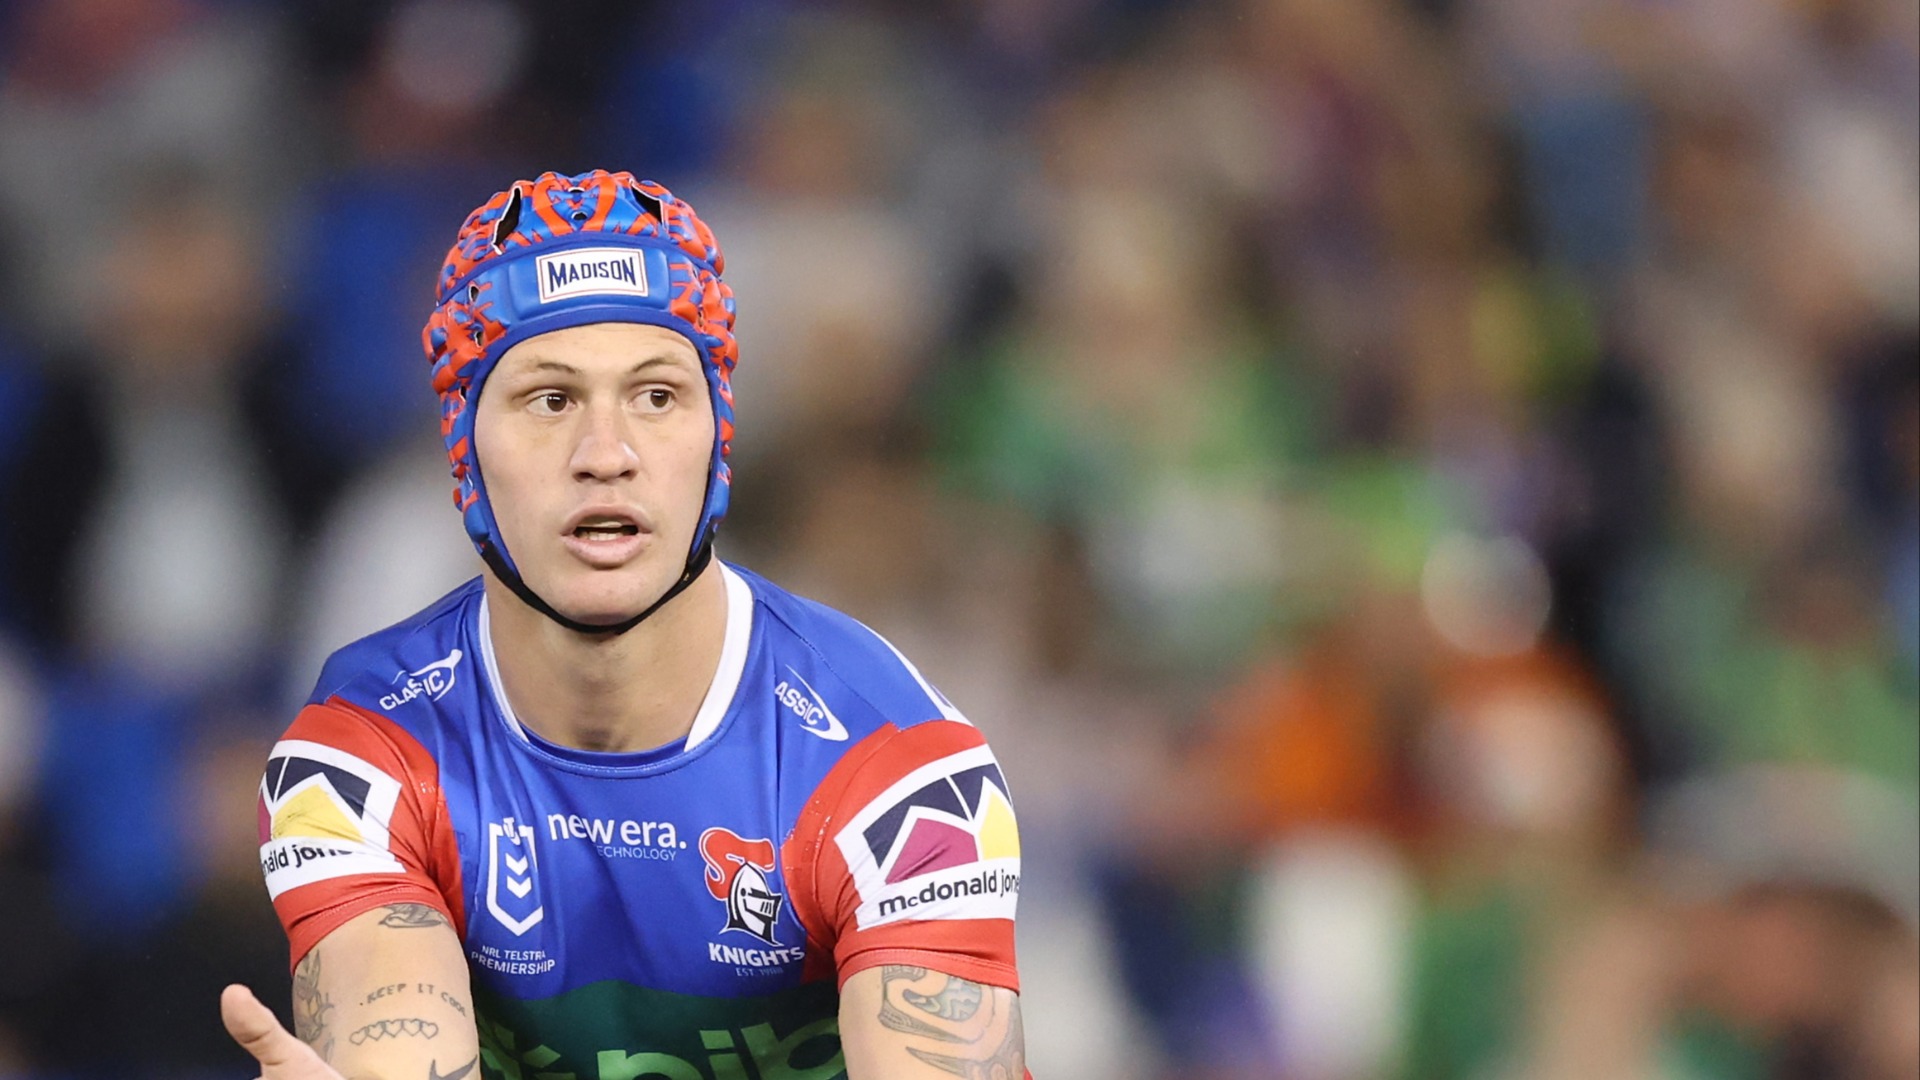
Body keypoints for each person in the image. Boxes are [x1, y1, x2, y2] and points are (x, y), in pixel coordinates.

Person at [217, 171, 1029, 1080]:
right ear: (463, 447)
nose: (607, 456)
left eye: (656, 397)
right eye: (550, 400)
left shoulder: (898, 771)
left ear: (718, 441)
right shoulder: (362, 757)